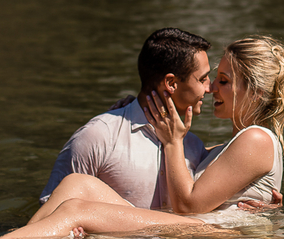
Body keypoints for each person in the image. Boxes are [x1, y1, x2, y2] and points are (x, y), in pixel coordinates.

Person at [0, 36, 284, 239]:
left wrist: (172, 142)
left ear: (255, 89)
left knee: (80, 210)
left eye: (224, 80)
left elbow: (187, 206)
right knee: (78, 185)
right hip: (208, 231)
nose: (212, 88)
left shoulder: (256, 138)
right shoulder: (242, 140)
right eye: (213, 78)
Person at [33, 27, 213, 217]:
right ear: (171, 84)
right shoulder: (97, 137)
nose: (210, 87)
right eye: (202, 79)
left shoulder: (194, 146)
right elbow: (48, 216)